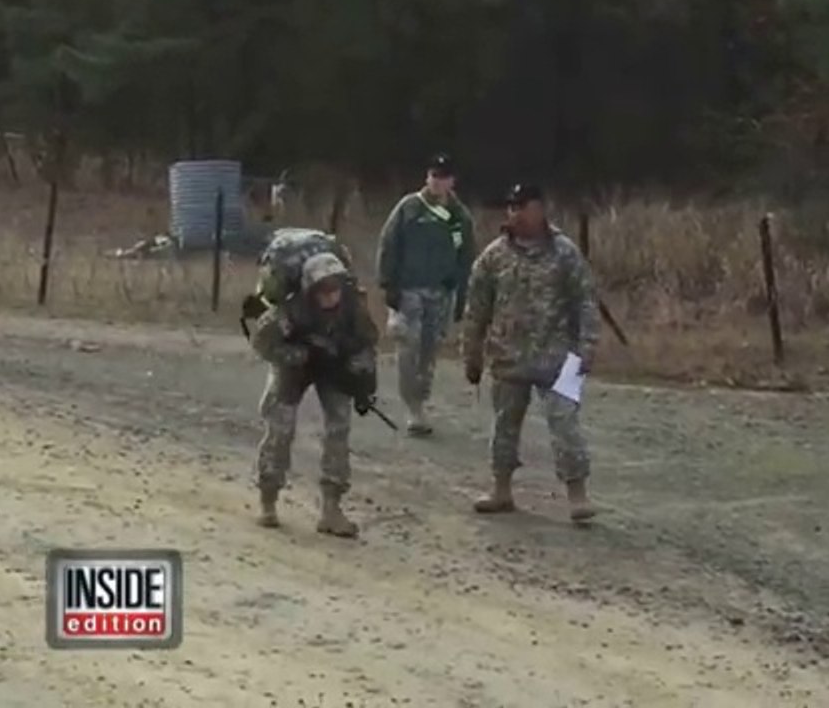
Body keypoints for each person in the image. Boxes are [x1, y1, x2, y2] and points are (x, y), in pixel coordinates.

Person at [460, 183, 601, 523]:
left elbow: (585, 301)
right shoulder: (494, 256)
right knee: (504, 425)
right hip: (509, 356)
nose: (515, 213)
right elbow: (476, 309)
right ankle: (501, 490)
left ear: (540, 209)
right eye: (511, 206)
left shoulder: (565, 252)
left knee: (566, 423)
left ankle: (577, 495)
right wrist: (472, 354)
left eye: (523, 206)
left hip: (560, 358)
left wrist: (587, 347)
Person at [250, 251, 380, 538]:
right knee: (280, 428)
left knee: (339, 427)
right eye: (324, 290)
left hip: (334, 367)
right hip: (294, 368)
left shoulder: (352, 308)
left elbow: (368, 342)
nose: (331, 296)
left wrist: (361, 377)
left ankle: (332, 508)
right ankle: (268, 499)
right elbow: (262, 343)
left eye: (336, 288)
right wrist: (298, 355)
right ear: (311, 290)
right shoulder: (291, 311)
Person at [376, 153, 477, 436]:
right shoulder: (410, 208)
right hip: (409, 290)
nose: (437, 182)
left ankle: (421, 397)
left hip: (440, 293)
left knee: (429, 351)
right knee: (408, 345)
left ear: (451, 181)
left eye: (443, 177)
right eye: (434, 176)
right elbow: (389, 244)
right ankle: (413, 408)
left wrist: (462, 295)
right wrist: (388, 283)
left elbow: (465, 255)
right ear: (427, 177)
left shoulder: (458, 217)